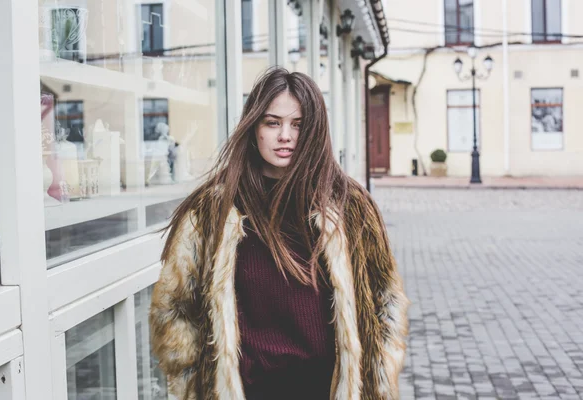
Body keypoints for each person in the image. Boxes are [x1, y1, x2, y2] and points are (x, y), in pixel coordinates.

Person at [150, 67, 409, 400]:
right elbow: (174, 309)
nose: (285, 136)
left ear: (314, 130)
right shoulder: (214, 211)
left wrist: (380, 380)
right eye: (272, 123)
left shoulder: (349, 207)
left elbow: (384, 301)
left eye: (297, 125)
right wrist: (192, 387)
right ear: (254, 127)